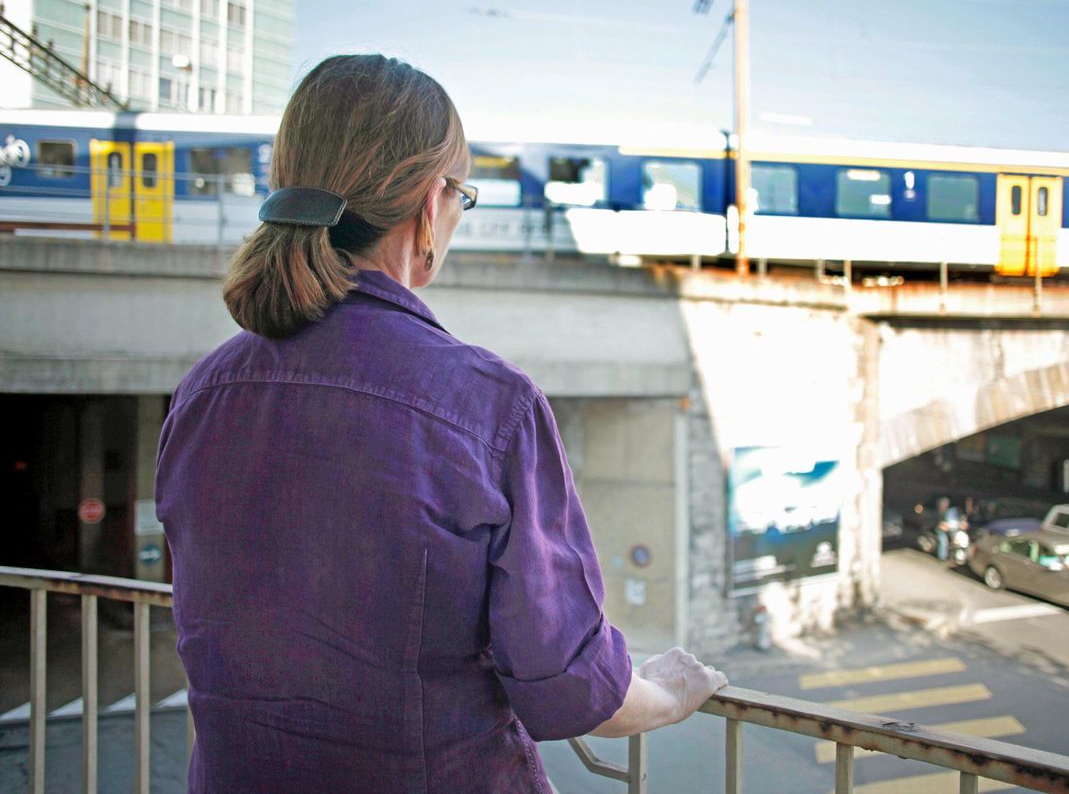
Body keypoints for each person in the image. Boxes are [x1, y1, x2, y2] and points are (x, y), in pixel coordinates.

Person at [155, 55, 726, 793]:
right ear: (431, 203)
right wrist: (670, 694)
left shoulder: (202, 394)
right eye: (461, 194)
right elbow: (570, 684)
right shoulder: (488, 406)